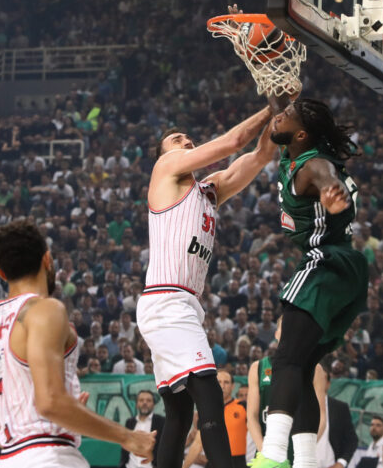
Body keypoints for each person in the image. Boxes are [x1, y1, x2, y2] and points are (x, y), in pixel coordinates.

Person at [137, 99, 279, 468]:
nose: (184, 140)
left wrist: (281, 114)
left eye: (187, 138)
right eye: (175, 139)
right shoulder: (165, 169)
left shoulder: (209, 190)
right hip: (167, 300)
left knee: (180, 411)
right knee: (209, 393)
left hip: (178, 304)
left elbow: (261, 154)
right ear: (165, 154)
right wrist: (269, 107)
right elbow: (233, 142)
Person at [0, 220, 156, 467]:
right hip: (50, 458)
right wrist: (128, 437)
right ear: (47, 260)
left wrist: (68, 417)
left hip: (9, 459)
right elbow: (50, 403)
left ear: (1, 273)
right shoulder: (46, 309)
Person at [251, 99, 369, 468]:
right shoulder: (294, 151)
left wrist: (331, 190)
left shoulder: (310, 164)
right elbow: (279, 111)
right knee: (301, 368)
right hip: (347, 272)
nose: (279, 117)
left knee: (284, 359)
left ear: (301, 134)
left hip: (326, 262)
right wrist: (277, 88)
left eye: (286, 116)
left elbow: (323, 174)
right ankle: (305, 462)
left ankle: (273, 456)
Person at [247, 316, 327, 455]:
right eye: (285, 328)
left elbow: (321, 419)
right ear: (276, 333)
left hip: (300, 451)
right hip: (267, 449)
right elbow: (252, 417)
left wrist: (304, 451)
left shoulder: (316, 369)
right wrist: (265, 451)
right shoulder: (258, 367)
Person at [184, 369, 248, 468]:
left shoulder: (243, 406)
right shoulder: (207, 410)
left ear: (232, 386)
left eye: (226, 382)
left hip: (238, 463)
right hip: (214, 463)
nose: (222, 386)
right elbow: (198, 443)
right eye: (219, 382)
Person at [318, 371, 358, 468]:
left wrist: (341, 462)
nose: (316, 382)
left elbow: (351, 440)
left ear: (328, 384)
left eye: (320, 380)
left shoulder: (340, 408)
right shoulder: (298, 406)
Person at [120, 390, 165, 468]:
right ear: (137, 404)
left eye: (148, 400)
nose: (145, 403)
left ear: (153, 404)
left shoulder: (161, 421)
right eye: (141, 400)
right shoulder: (130, 422)